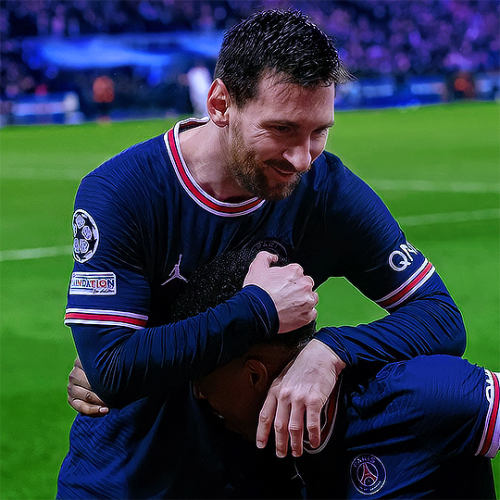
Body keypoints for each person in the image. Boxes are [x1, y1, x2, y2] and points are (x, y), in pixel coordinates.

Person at [59, 9, 466, 498]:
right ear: (220, 103)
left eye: (320, 131)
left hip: (260, 482)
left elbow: (441, 317)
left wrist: (331, 351)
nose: (302, 158)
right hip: (125, 481)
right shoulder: (124, 192)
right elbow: (113, 370)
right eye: (282, 129)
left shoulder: (327, 193)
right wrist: (258, 311)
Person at [69, 245, 499, 499]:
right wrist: (107, 372)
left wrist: (335, 347)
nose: (196, 396)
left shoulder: (423, 396)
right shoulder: (254, 449)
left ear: (254, 375)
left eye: (200, 382)